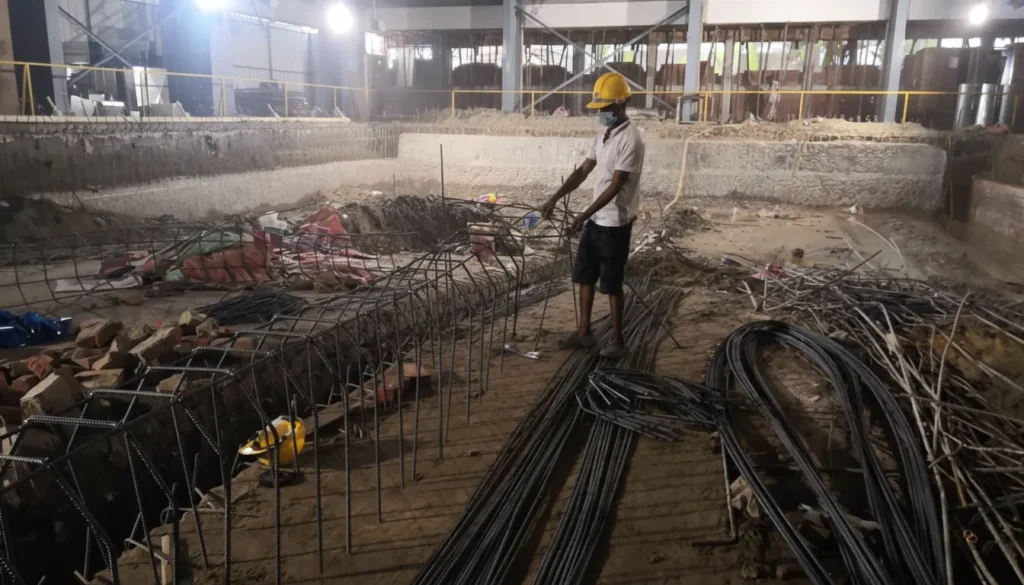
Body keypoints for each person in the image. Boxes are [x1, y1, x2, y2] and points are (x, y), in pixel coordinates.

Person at [539, 72, 645, 359]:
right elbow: (583, 171)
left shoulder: (631, 141)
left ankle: (619, 341)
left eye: (606, 109)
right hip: (596, 221)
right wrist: (555, 197)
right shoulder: (603, 136)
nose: (602, 114)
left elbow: (616, 184)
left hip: (616, 224)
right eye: (600, 109)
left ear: (622, 105)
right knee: (585, 276)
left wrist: (583, 214)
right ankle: (584, 332)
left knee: (611, 283)